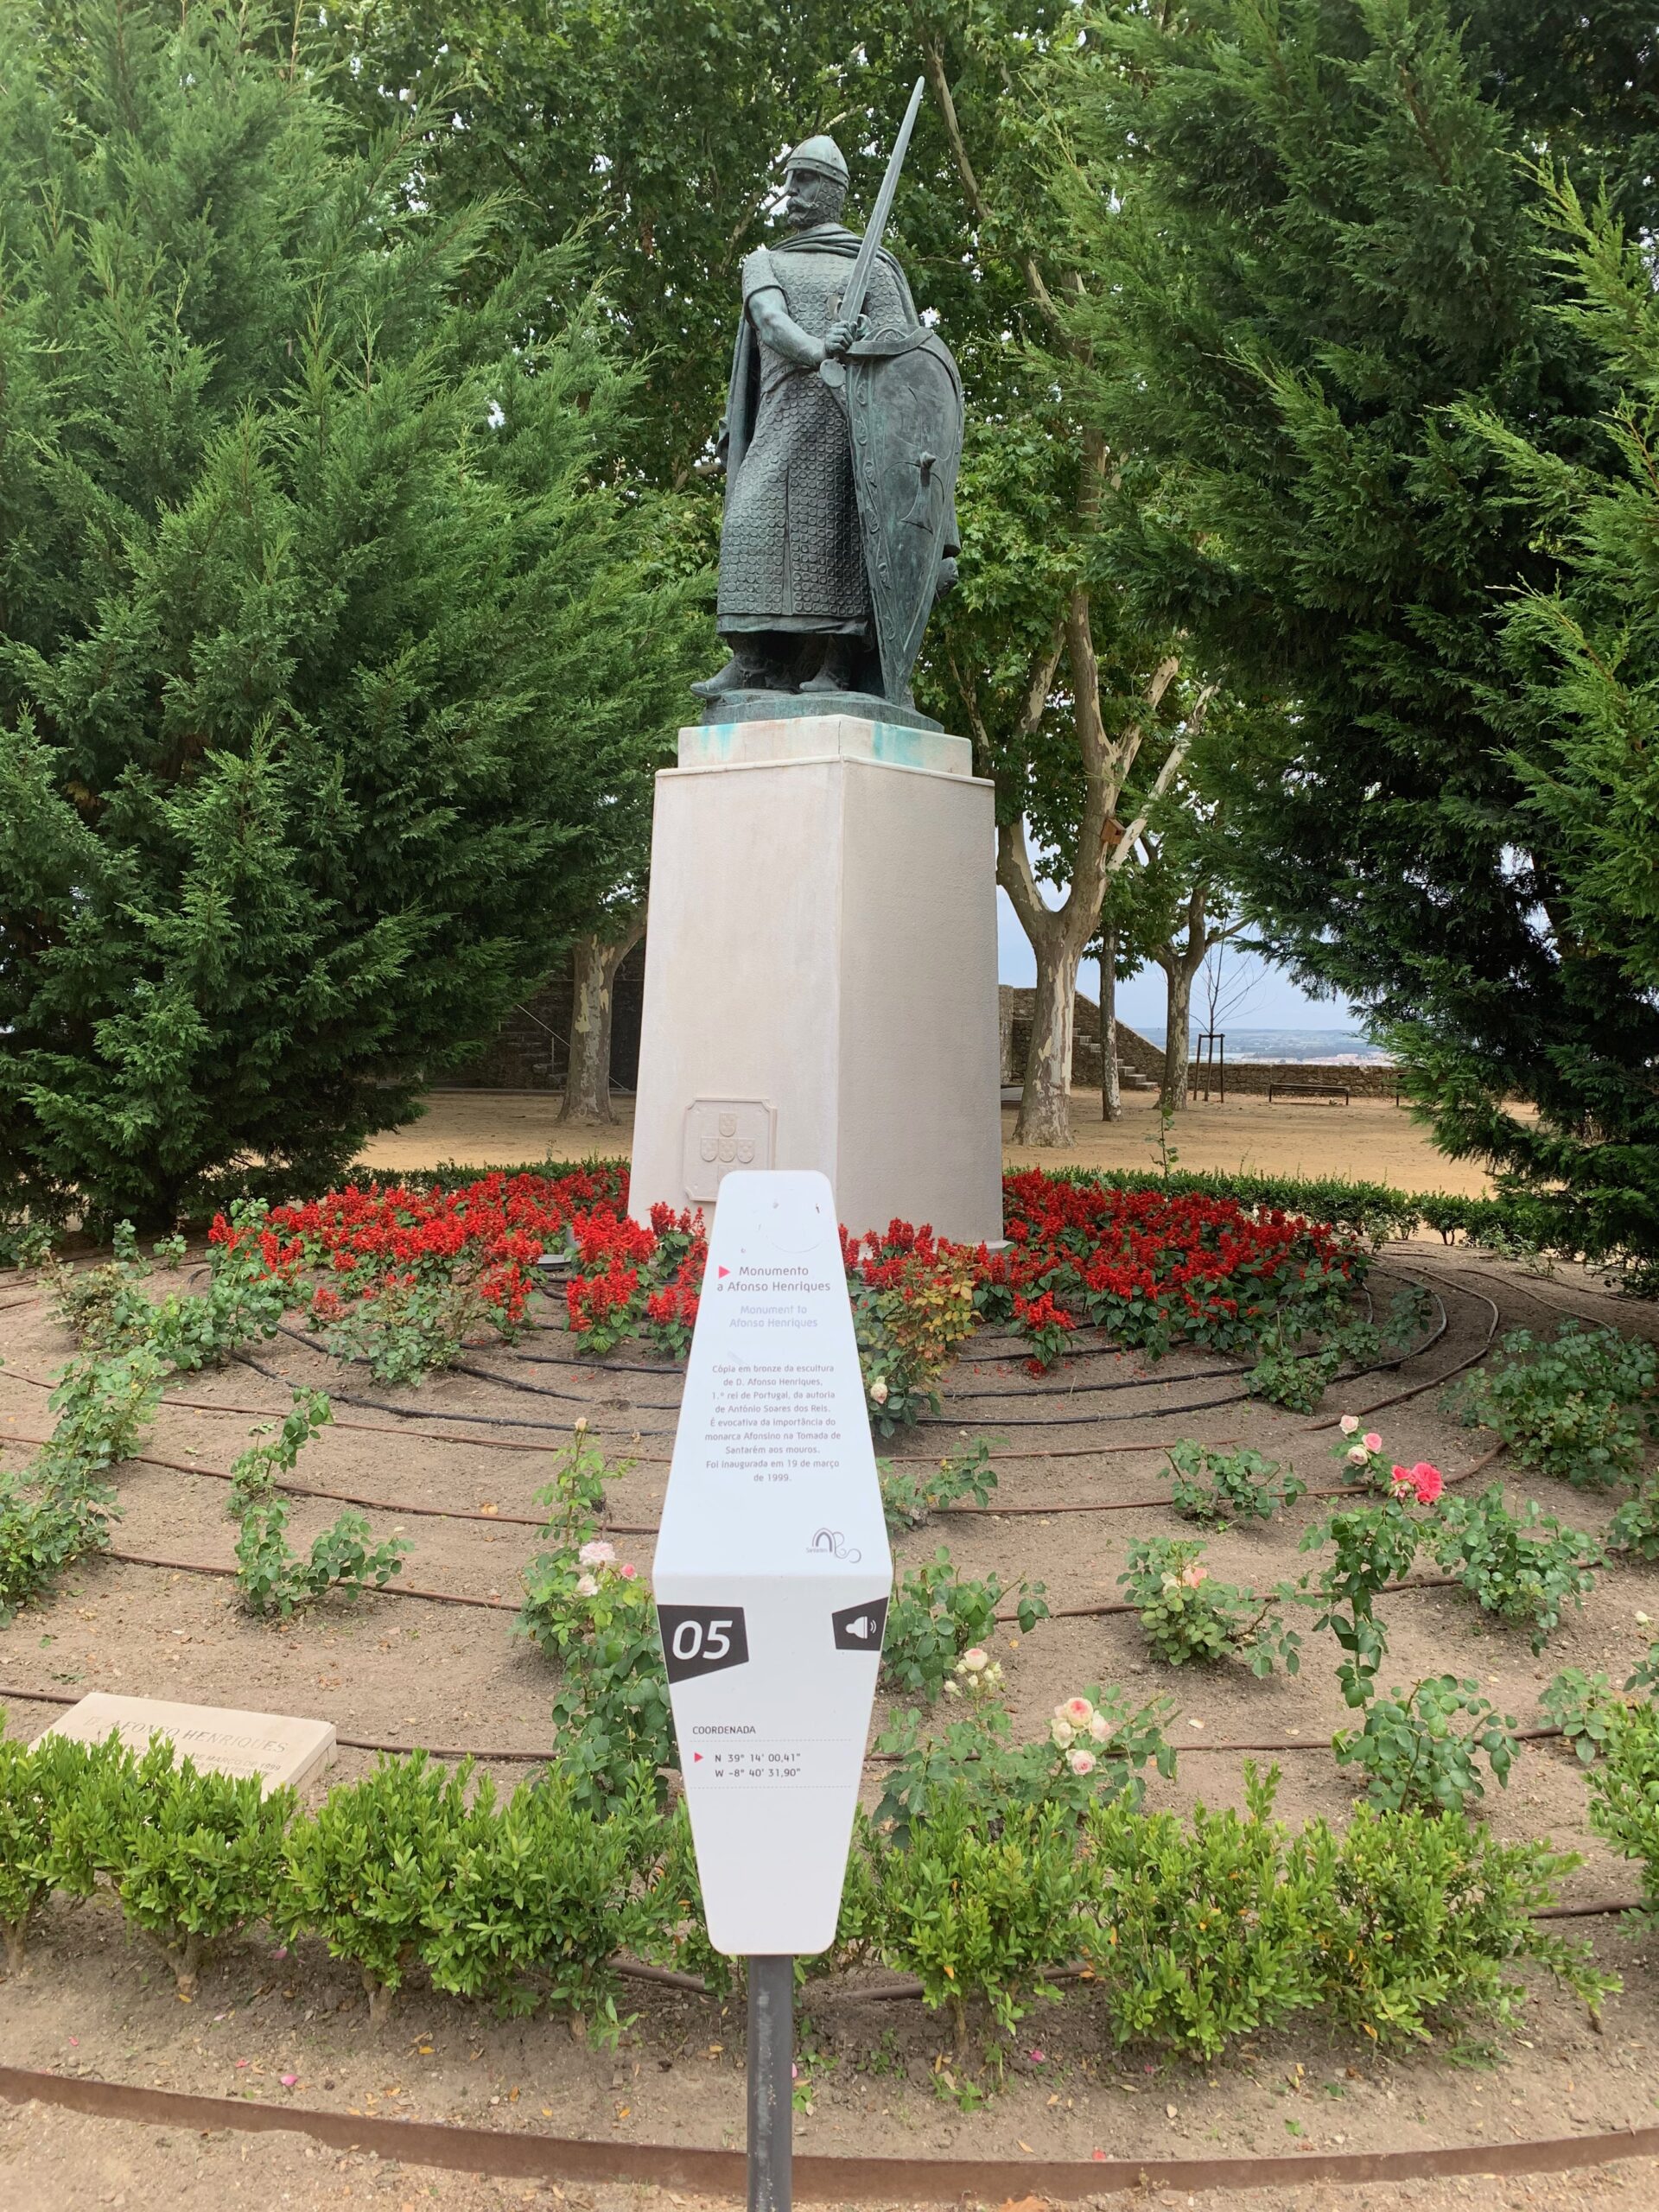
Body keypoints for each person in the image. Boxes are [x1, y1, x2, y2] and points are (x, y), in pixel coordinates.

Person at [693, 134, 959, 704]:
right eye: (789, 180)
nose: (789, 192)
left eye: (803, 179)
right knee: (750, 521)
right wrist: (820, 347)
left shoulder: (875, 268)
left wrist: (862, 339)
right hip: (784, 418)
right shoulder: (764, 261)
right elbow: (770, 321)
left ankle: (837, 668)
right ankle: (753, 661)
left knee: (842, 539)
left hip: (849, 430)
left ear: (833, 189)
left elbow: (903, 354)